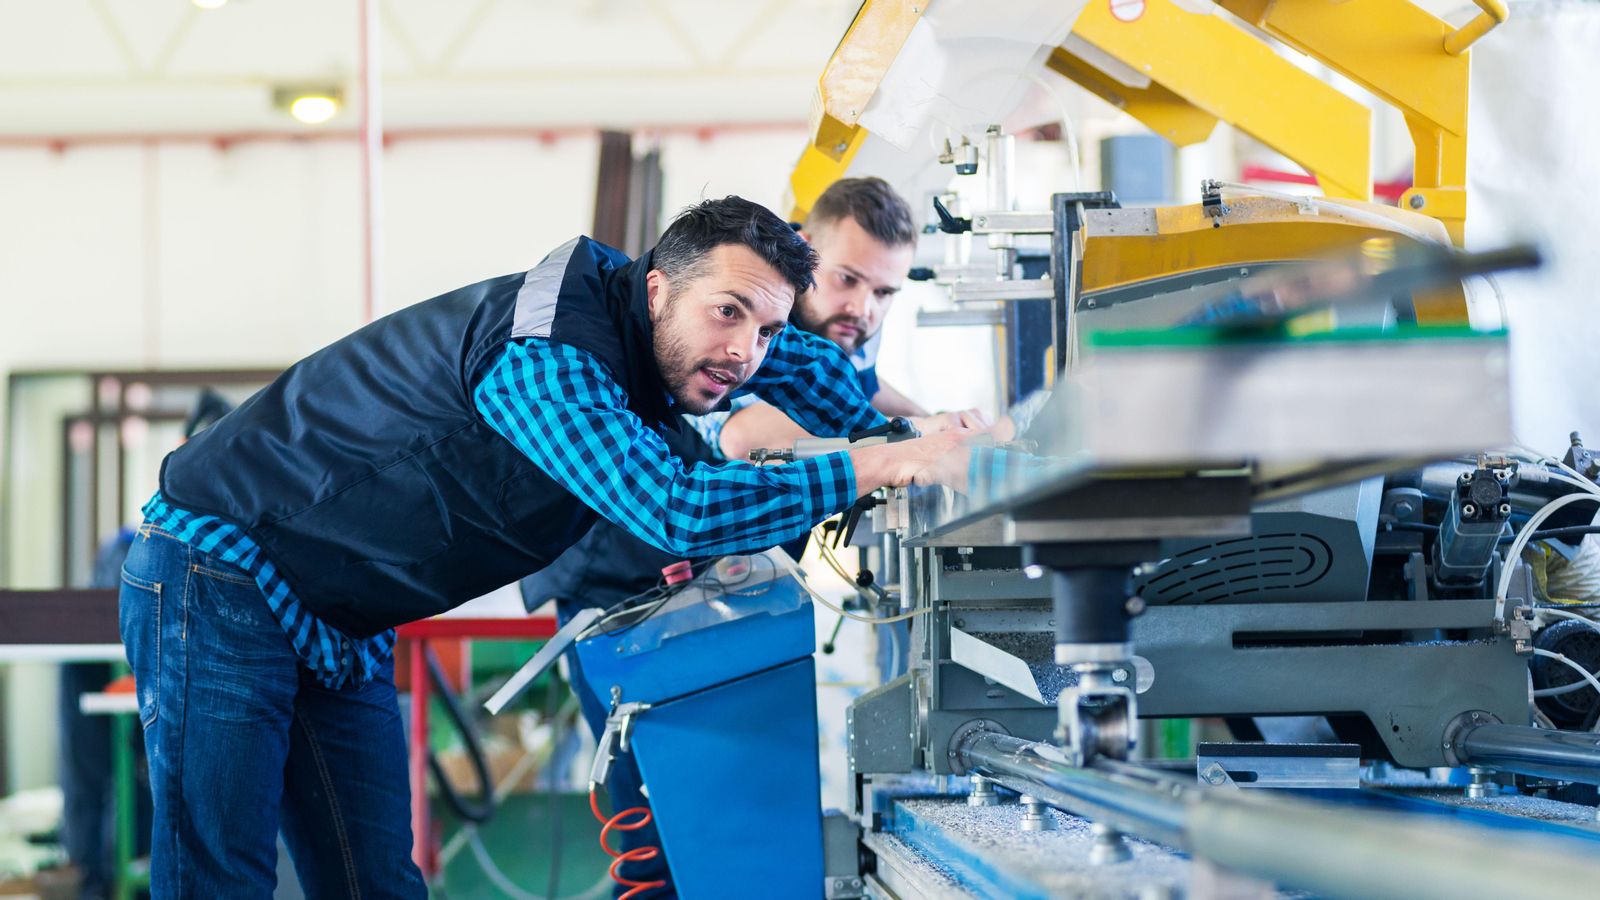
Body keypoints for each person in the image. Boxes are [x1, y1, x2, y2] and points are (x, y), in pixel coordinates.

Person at [117, 196, 969, 897]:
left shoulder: (692, 340)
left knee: (373, 882)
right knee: (219, 879)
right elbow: (674, 508)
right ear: (659, 289)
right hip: (219, 569)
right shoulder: (546, 352)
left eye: (768, 330)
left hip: (335, 617)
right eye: (730, 315)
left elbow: (817, 374)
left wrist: (939, 432)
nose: (745, 351)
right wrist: (877, 459)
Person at [519, 177, 980, 897]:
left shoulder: (816, 342)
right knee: (663, 845)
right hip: (628, 601)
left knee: (722, 844)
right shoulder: (742, 337)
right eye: (846, 278)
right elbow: (751, 435)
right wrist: (891, 454)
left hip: (715, 610)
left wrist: (953, 434)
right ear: (801, 258)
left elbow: (871, 405)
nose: (860, 306)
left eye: (884, 292)